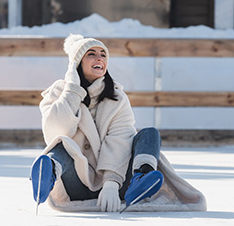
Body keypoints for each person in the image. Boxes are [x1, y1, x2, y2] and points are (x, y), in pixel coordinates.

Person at [30, 34, 206, 212]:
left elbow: (120, 138)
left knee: (148, 134)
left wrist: (111, 183)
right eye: (91, 54)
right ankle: (48, 174)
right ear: (76, 63)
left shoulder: (117, 98)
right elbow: (54, 131)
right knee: (62, 142)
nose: (100, 58)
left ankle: (141, 178)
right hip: (77, 184)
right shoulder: (58, 93)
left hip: (120, 185)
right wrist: (72, 91)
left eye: (103, 55)